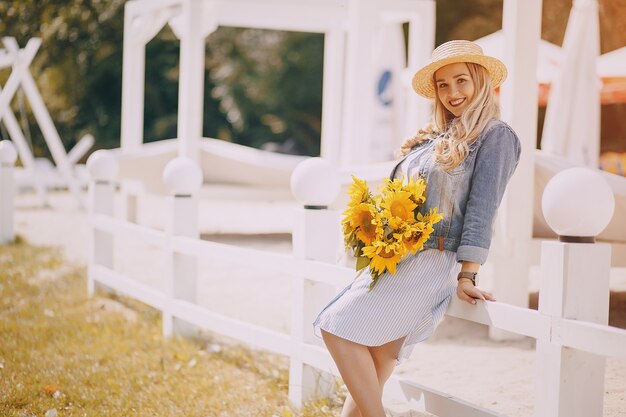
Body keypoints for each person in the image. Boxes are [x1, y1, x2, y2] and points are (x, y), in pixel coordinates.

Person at [313, 40, 522, 417]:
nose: (452, 93)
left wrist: (468, 273)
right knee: (374, 368)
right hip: (398, 257)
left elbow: (483, 208)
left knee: (336, 327)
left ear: (480, 80)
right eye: (443, 85)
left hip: (432, 261)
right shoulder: (434, 137)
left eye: (461, 81)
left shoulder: (496, 136)